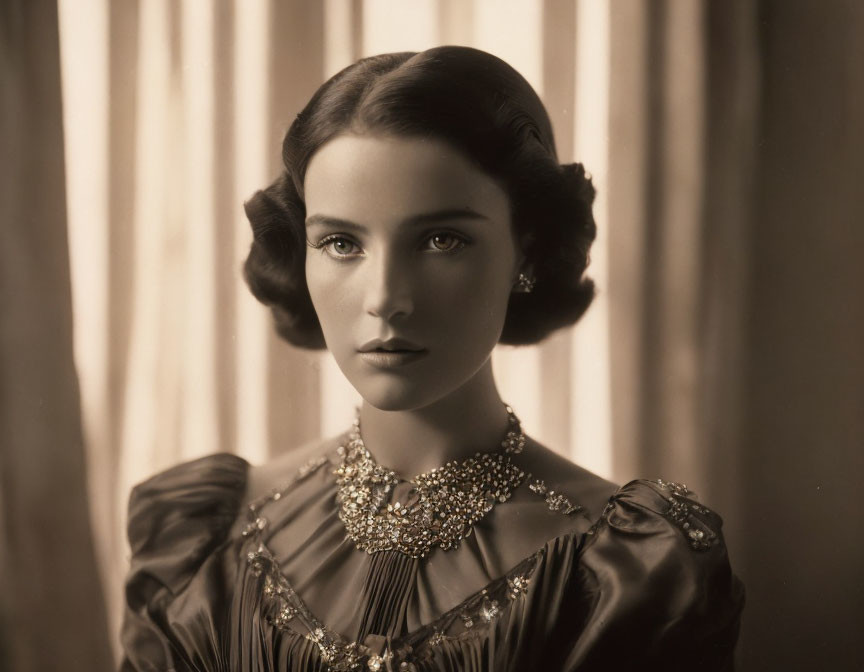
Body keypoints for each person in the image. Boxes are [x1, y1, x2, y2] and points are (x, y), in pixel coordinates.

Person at [119, 46, 744, 671]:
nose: (386, 298)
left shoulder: (627, 571)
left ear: (526, 253)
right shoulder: (203, 539)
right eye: (340, 242)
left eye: (442, 240)